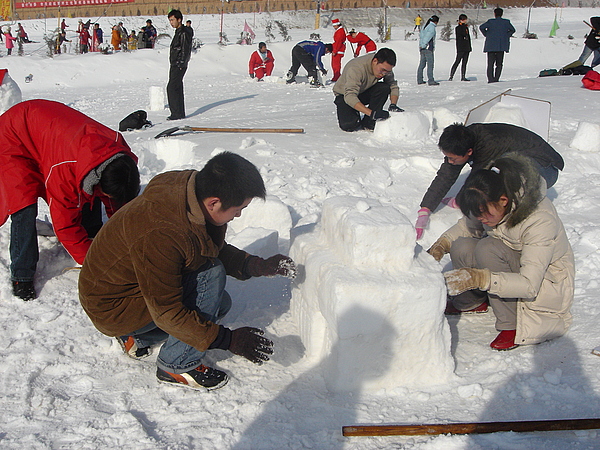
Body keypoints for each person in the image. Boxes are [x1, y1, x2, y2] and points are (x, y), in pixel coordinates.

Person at [78, 152, 297, 391]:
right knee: (210, 275)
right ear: (214, 202)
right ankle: (176, 364)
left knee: (219, 303)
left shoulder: (190, 192)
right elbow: (167, 311)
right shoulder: (163, 233)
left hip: (125, 290)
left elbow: (202, 245)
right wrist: (229, 340)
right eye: (238, 208)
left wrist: (254, 265)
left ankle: (138, 338)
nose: (239, 215)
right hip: (112, 307)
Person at [429, 153, 574, 351]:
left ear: (504, 200)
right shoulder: (491, 200)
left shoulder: (539, 220)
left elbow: (530, 284)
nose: (482, 219)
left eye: (484, 214)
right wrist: (442, 244)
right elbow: (467, 225)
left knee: (488, 248)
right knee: (461, 245)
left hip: (543, 283)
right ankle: (472, 301)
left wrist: (482, 279)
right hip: (510, 261)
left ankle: (512, 324)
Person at [0, 99, 140, 301]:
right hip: (13, 135)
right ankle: (21, 275)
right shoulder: (64, 170)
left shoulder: (118, 152)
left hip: (48, 132)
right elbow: (64, 226)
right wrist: (97, 266)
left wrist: (128, 238)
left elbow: (116, 200)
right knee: (23, 204)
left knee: (87, 192)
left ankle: (92, 233)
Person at [415, 123, 565, 240]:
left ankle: (506, 232)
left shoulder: (488, 146)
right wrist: (425, 208)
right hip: (518, 157)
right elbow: (446, 174)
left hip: (545, 167)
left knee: (501, 181)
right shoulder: (461, 141)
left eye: (453, 158)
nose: (450, 161)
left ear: (469, 152)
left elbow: (477, 181)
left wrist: (461, 200)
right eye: (447, 157)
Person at [333, 48, 402, 132]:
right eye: (383, 70)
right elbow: (350, 96)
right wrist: (372, 113)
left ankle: (369, 122)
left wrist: (393, 105)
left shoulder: (385, 68)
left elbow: (392, 85)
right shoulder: (356, 68)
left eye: (387, 72)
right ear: (375, 61)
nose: (384, 74)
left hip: (363, 92)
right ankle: (360, 113)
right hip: (344, 95)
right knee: (349, 125)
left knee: (383, 88)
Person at [167, 9, 193, 121]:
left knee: (172, 88)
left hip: (179, 64)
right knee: (177, 87)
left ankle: (176, 113)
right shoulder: (178, 32)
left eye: (172, 20)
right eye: (170, 20)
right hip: (175, 63)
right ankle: (179, 112)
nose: (171, 22)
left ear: (179, 20)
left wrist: (181, 62)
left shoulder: (183, 32)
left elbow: (185, 49)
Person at [480, 7, 516, 83]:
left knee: (490, 64)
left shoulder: (490, 22)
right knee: (499, 64)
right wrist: (506, 35)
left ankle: (490, 79)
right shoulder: (506, 22)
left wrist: (487, 34)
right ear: (502, 14)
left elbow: (481, 27)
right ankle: (496, 79)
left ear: (494, 14)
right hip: (501, 46)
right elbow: (513, 30)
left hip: (490, 46)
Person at [417, 15, 439, 86]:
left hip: (422, 48)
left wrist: (421, 46)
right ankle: (431, 80)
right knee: (430, 65)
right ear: (436, 22)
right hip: (428, 48)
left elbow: (421, 36)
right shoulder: (432, 28)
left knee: (422, 64)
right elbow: (428, 37)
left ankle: (419, 79)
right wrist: (424, 45)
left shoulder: (425, 26)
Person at [449, 14, 471, 81]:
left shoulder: (466, 27)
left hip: (467, 47)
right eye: (464, 19)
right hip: (461, 48)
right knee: (457, 61)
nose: (465, 21)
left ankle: (463, 76)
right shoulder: (458, 28)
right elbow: (462, 35)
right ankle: (451, 76)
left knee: (464, 63)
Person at [331, 18, 346, 82]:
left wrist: (335, 50)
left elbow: (338, 42)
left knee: (335, 64)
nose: (334, 27)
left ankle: (337, 76)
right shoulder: (340, 31)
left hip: (338, 50)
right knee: (334, 64)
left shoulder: (340, 32)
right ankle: (336, 75)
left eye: (334, 25)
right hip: (338, 49)